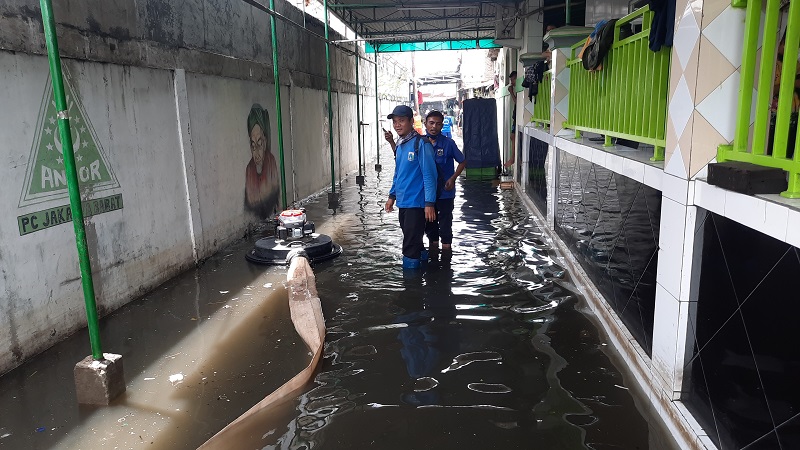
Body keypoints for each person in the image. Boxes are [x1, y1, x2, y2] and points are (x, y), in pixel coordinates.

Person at [384, 105, 438, 269]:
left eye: (401, 121)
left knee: (409, 246)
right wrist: (392, 196)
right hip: (404, 203)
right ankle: (426, 271)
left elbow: (430, 175)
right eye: (394, 122)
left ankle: (411, 287)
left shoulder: (421, 143)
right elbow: (398, 173)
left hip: (417, 203)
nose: (397, 125)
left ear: (411, 121)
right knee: (414, 241)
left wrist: (429, 203)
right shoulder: (400, 144)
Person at [423, 111, 466, 252]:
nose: (434, 126)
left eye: (438, 124)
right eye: (431, 123)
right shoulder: (420, 143)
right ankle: (433, 255)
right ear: (425, 123)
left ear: (442, 126)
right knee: (430, 225)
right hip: (428, 194)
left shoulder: (448, 144)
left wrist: (453, 178)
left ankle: (447, 258)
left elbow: (462, 161)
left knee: (446, 224)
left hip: (445, 193)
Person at [245, 104, 280, 219]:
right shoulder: (249, 170)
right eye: (253, 145)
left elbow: (275, 200)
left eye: (259, 144)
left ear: (265, 142)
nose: (256, 154)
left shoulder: (271, 163)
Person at [505, 71, 518, 168]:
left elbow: (517, 102)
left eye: (513, 79)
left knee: (513, 137)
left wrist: (511, 92)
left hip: (518, 117)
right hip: (516, 116)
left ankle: (513, 158)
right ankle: (514, 158)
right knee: (512, 136)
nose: (511, 82)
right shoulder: (517, 88)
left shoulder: (518, 88)